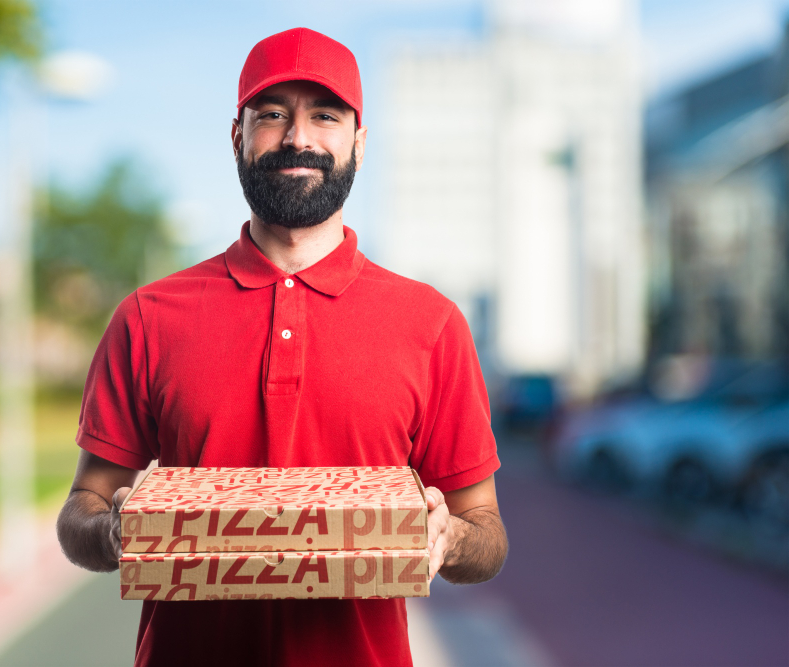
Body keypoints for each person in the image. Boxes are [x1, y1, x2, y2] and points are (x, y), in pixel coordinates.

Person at [56, 27, 508, 667]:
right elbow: (83, 510)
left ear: (358, 140)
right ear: (236, 135)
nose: (298, 137)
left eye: (324, 115)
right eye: (272, 115)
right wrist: (113, 532)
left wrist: (448, 539)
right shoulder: (149, 317)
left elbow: (486, 533)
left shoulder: (430, 324)